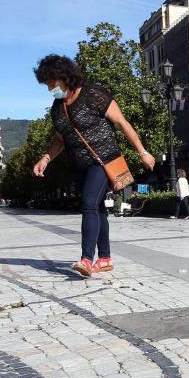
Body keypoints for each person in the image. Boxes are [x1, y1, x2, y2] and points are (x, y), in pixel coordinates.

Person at [31, 54, 155, 276]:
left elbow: (122, 123)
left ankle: (86, 259)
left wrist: (143, 152)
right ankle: (105, 259)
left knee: (88, 203)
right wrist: (46, 158)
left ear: (65, 77)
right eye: (47, 85)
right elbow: (60, 139)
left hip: (103, 161)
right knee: (97, 209)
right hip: (79, 165)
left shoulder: (93, 94)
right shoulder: (57, 108)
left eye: (52, 83)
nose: (50, 88)